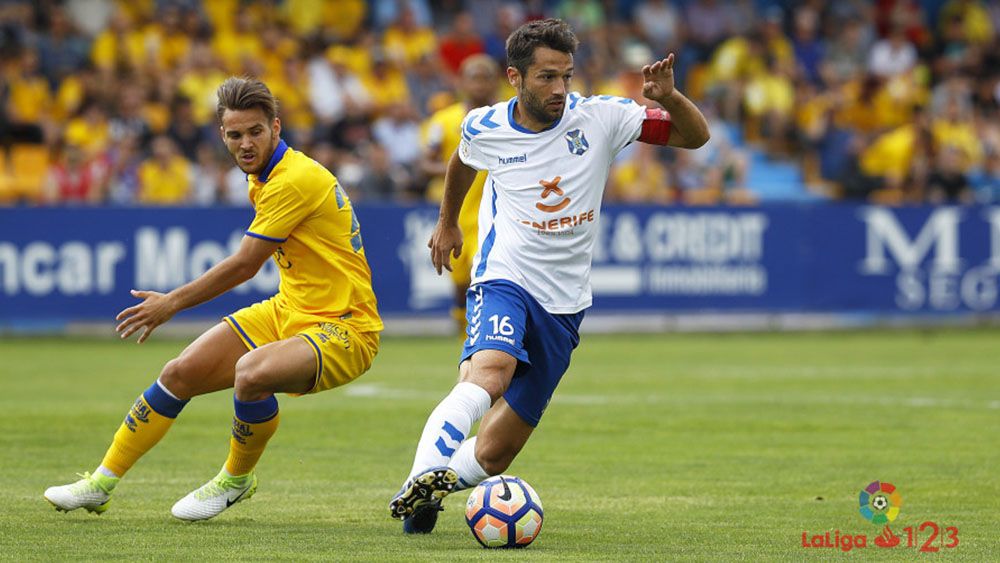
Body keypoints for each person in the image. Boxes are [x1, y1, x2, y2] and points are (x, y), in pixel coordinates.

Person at [388, 18, 708, 534]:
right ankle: (420, 479)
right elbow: (462, 163)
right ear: (515, 78)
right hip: (505, 276)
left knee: (494, 454)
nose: (559, 88)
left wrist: (669, 97)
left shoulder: (600, 117)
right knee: (489, 373)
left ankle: (435, 486)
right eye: (546, 77)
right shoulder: (485, 126)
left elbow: (695, 137)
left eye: (566, 75)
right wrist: (447, 222)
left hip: (565, 302)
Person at [43, 77, 383, 521]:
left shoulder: (294, 179)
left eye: (255, 132)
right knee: (179, 373)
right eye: (235, 134)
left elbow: (244, 265)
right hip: (290, 309)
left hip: (345, 326)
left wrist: (171, 302)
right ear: (222, 135)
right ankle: (100, 484)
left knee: (251, 373)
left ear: (276, 127)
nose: (245, 144)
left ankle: (235, 479)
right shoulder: (263, 176)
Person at [420, 54, 499, 333]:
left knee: (485, 274)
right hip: (457, 212)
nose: (480, 85)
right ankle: (461, 325)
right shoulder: (443, 120)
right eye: (474, 78)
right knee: (460, 280)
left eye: (486, 78)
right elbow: (425, 164)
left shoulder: (506, 118)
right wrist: (460, 166)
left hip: (492, 213)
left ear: (495, 83)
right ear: (462, 82)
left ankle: (486, 331)